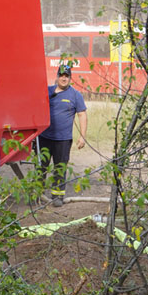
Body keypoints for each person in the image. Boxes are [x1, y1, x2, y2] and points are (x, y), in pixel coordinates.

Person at [38, 63, 88, 207]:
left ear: (70, 78)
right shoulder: (47, 91)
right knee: (41, 167)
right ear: (57, 76)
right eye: (62, 75)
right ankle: (37, 194)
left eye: (67, 76)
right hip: (44, 137)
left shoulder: (75, 95)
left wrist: (82, 136)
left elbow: (82, 115)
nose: (64, 78)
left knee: (60, 168)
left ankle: (57, 196)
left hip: (63, 140)